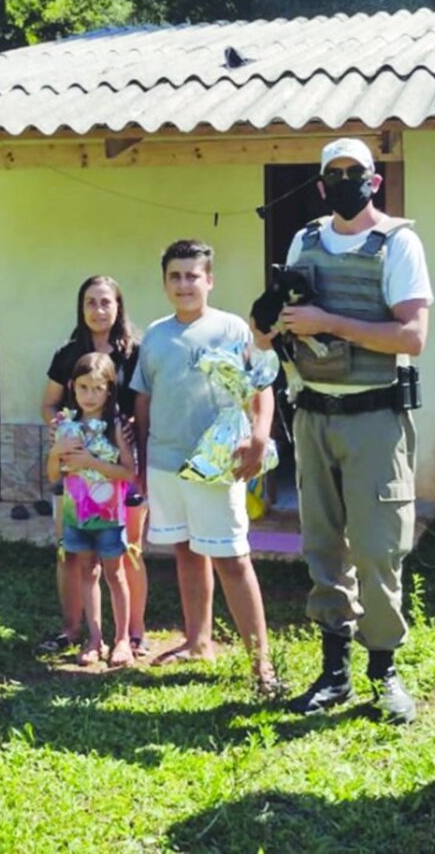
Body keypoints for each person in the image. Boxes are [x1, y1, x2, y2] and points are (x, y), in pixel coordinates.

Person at [253, 137, 432, 724]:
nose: (346, 181)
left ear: (375, 181)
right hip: (314, 411)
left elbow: (411, 337)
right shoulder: (305, 240)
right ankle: (335, 671)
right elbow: (278, 325)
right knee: (323, 545)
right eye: (335, 173)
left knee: (378, 548)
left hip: (376, 416)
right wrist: (276, 320)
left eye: (358, 172)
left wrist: (329, 322)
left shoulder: (398, 243)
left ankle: (384, 671)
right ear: (322, 182)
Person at [132, 239, 277, 690]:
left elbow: (262, 386)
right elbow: (143, 400)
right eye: (175, 276)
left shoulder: (232, 330)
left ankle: (263, 665)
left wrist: (258, 436)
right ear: (164, 283)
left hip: (217, 465)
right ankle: (199, 642)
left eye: (192, 275)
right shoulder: (155, 335)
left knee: (232, 559)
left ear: (209, 280)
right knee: (186, 551)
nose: (184, 284)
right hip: (164, 462)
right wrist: (139, 460)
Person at [39, 275, 150, 658]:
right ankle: (75, 629)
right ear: (81, 307)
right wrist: (62, 433)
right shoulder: (68, 354)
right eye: (90, 302)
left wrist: (133, 433)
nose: (98, 310)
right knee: (72, 554)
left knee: (126, 551)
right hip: (76, 477)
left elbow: (144, 404)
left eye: (106, 302)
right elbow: (49, 404)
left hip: (122, 467)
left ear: (118, 306)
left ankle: (132, 634)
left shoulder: (135, 353)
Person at [46, 353, 136, 667]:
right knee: (88, 572)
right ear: (72, 387)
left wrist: (92, 463)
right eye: (84, 387)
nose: (90, 395)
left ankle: (123, 639)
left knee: (116, 574)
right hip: (76, 516)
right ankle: (94, 638)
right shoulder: (67, 427)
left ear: (109, 390)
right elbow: (54, 476)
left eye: (98, 388)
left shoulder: (116, 427)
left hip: (109, 517)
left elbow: (128, 473)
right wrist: (56, 453)